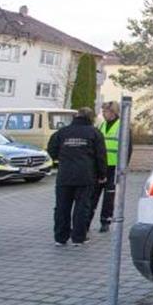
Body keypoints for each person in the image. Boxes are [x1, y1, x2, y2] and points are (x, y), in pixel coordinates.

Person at [47, 106, 106, 247]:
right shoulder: (95, 133)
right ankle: (79, 238)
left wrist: (61, 158)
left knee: (62, 207)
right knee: (82, 207)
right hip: (85, 176)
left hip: (64, 175)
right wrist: (102, 174)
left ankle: (60, 238)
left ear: (77, 116)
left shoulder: (62, 132)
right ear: (91, 118)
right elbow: (101, 156)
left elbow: (51, 150)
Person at [90, 101, 131, 233]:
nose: (103, 113)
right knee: (93, 194)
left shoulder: (122, 127)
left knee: (109, 196)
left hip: (113, 167)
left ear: (113, 112)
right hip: (100, 166)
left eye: (105, 111)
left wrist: (123, 166)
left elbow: (128, 148)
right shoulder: (101, 125)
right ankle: (86, 220)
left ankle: (105, 221)